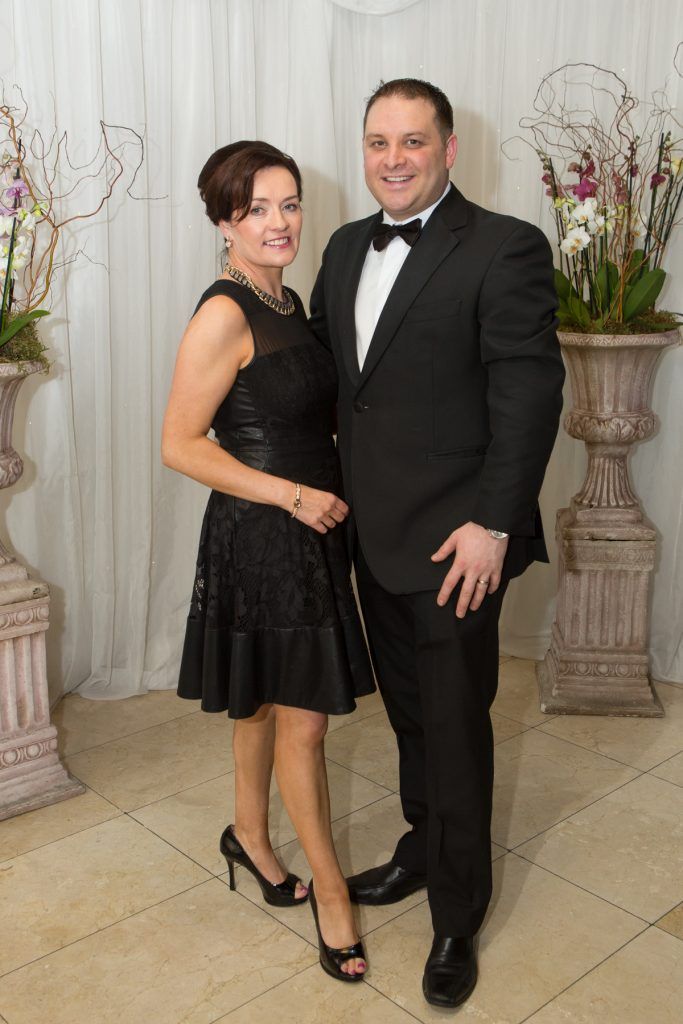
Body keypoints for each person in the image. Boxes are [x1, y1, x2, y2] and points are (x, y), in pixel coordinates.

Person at [309, 79, 565, 1009]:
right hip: (372, 535)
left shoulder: (504, 245)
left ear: (449, 149)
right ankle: (425, 850)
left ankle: (457, 913)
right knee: (412, 718)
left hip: (459, 541)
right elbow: (335, 385)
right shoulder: (341, 248)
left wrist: (493, 523)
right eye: (377, 141)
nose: (392, 158)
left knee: (455, 730)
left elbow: (528, 396)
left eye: (412, 141)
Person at [162, 140, 375, 982]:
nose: (279, 221)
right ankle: (331, 894)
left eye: (287, 204)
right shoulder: (224, 311)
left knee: (260, 705)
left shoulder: (282, 295)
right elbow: (178, 445)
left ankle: (249, 834)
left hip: (311, 526)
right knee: (305, 721)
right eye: (256, 209)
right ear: (223, 222)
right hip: (265, 531)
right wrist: (290, 496)